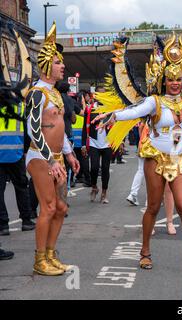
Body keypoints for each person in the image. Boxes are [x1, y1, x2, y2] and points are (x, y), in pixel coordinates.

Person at [93, 35, 182, 275]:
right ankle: (145, 250)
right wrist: (114, 115)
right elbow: (135, 110)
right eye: (170, 79)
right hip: (156, 158)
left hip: (179, 159)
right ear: (163, 81)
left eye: (178, 79)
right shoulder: (155, 102)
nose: (174, 83)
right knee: (153, 207)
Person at [25, 22, 80, 276]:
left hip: (57, 159)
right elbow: (33, 130)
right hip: (40, 157)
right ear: (47, 65)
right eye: (58, 62)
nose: (63, 66)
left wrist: (68, 154)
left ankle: (50, 254)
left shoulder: (56, 95)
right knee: (47, 207)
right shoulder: (37, 93)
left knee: (61, 208)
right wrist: (51, 159)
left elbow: (59, 127)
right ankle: (39, 261)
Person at [127, 122, 177, 235]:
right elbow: (142, 126)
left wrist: (175, 149)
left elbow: (179, 129)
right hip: (154, 152)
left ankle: (170, 222)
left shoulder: (175, 110)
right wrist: (144, 144)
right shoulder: (154, 109)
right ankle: (151, 223)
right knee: (153, 189)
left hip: (171, 152)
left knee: (169, 189)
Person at [1, 102, 36, 235]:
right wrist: (26, 150)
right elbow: (26, 130)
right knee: (21, 187)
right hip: (15, 154)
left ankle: (3, 225)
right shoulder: (19, 106)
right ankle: (26, 221)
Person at [81, 86, 113, 204]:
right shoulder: (89, 109)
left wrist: (121, 142)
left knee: (105, 169)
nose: (102, 97)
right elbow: (85, 127)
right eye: (99, 94)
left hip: (108, 143)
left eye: (104, 94)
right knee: (94, 167)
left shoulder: (111, 109)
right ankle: (94, 187)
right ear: (95, 95)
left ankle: (104, 193)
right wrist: (83, 144)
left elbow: (118, 126)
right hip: (94, 142)